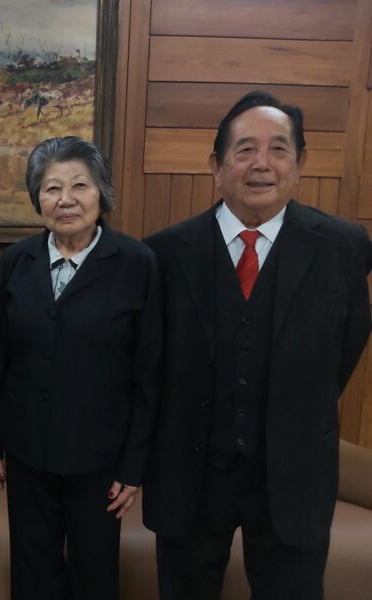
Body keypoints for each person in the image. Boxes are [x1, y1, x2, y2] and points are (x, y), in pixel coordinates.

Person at [142, 91, 372, 599]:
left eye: (278, 150)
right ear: (217, 166)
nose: (261, 164)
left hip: (294, 471)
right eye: (244, 150)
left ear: (300, 164)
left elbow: (347, 344)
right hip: (191, 473)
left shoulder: (345, 247)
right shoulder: (162, 254)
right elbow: (151, 363)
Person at [0, 136, 162, 600]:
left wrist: (134, 465)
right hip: (27, 448)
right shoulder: (17, 261)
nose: (66, 199)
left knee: (93, 574)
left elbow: (150, 373)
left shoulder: (137, 263)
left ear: (102, 194)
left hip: (100, 456)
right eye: (51, 187)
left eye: (80, 185)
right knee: (32, 569)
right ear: (37, 198)